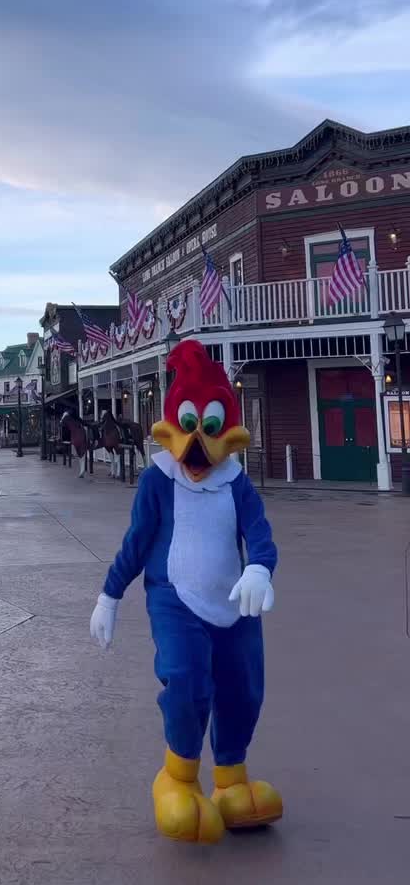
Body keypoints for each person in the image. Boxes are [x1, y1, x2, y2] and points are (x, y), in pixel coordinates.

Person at [90, 339, 282, 845]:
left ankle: (231, 779)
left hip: (234, 600)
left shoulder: (236, 482)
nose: (199, 443)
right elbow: (137, 541)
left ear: (229, 430)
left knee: (243, 688)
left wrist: (259, 569)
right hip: (175, 597)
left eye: (211, 427)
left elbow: (259, 532)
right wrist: (110, 595)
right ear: (172, 424)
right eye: (190, 424)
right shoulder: (158, 480)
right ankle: (177, 778)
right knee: (187, 679)